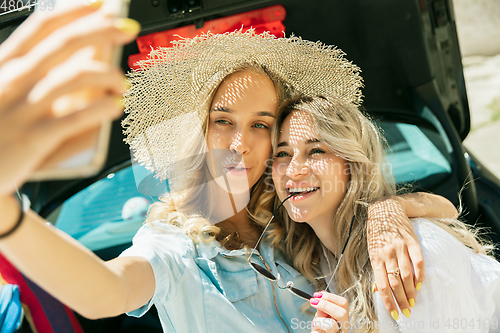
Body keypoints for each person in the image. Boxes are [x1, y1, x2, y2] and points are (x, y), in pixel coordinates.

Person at [0, 21, 458, 332]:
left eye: (260, 125)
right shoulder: (174, 246)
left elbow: (449, 208)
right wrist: (6, 215)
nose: (241, 143)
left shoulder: (296, 210)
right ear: (197, 133)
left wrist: (387, 209)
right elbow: (104, 292)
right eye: (223, 121)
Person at [270, 95, 500, 333]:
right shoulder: (314, 259)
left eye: (316, 150)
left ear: (354, 164)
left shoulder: (411, 255)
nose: (294, 170)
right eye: (282, 153)